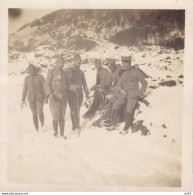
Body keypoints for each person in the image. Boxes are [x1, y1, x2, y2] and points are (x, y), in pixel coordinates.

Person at [115, 56, 148, 134]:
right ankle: (114, 124)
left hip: (133, 95)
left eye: (123, 63)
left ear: (128, 63)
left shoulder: (136, 72)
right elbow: (118, 84)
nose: (122, 65)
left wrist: (140, 93)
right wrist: (121, 90)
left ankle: (126, 128)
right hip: (124, 94)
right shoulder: (123, 73)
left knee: (129, 109)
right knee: (116, 106)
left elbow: (144, 83)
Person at [65, 53, 89, 131]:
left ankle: (78, 123)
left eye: (80, 61)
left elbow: (84, 83)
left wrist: (86, 92)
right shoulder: (68, 70)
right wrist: (69, 87)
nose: (79, 62)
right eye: (77, 60)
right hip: (70, 93)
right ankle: (74, 125)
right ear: (73, 61)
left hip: (79, 93)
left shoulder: (81, 72)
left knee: (78, 109)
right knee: (73, 109)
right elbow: (64, 82)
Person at [45, 55, 67, 137]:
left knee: (62, 115)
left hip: (63, 98)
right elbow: (46, 84)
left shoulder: (64, 73)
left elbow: (66, 84)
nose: (62, 64)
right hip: (54, 97)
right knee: (55, 115)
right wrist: (50, 94)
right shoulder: (51, 72)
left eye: (63, 63)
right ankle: (55, 133)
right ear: (56, 62)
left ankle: (62, 134)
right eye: (60, 62)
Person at [21, 63, 47, 131]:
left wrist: (46, 97)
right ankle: (36, 128)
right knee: (34, 113)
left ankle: (42, 125)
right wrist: (23, 99)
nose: (32, 71)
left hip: (39, 97)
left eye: (33, 69)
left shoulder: (40, 77)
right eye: (30, 69)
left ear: (35, 70)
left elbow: (45, 87)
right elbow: (25, 89)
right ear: (28, 70)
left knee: (40, 111)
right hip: (31, 98)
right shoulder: (27, 78)